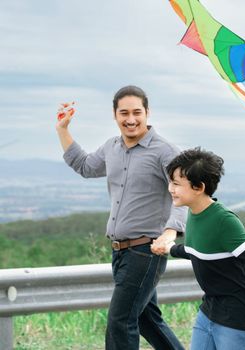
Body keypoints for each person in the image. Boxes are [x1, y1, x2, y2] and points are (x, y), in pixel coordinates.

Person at [55, 85, 186, 350]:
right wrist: (63, 130)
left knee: (120, 321)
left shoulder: (165, 151)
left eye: (137, 112)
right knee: (147, 320)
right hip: (120, 251)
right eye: (123, 113)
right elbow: (84, 166)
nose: (131, 119)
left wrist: (171, 231)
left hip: (146, 250)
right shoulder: (111, 147)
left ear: (147, 113)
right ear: (115, 115)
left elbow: (182, 192)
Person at [151, 147, 245, 350]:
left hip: (238, 314)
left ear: (198, 187)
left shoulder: (224, 221)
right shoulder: (194, 213)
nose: (170, 189)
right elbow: (195, 250)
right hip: (210, 309)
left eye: (176, 184)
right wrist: (170, 248)